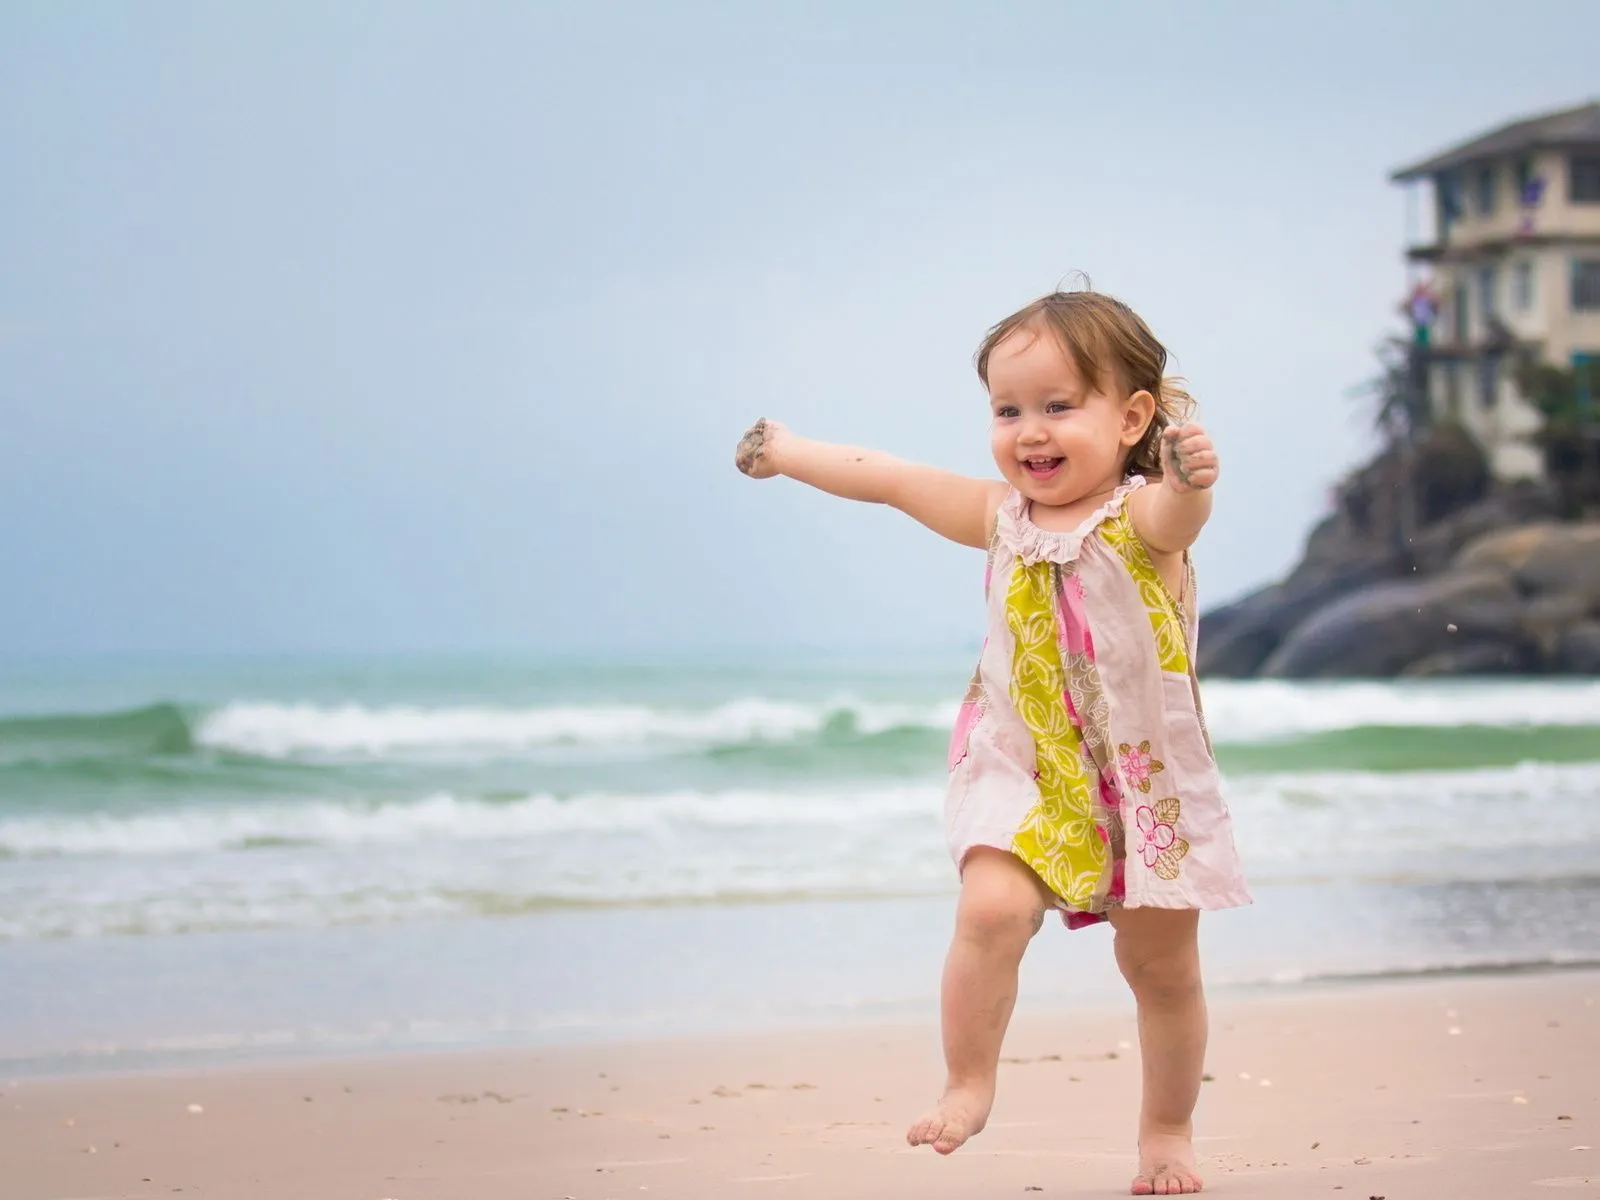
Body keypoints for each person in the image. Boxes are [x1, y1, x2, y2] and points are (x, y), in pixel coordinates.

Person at [733, 287, 1251, 1196]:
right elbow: (888, 479)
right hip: (1025, 768)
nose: (1029, 432)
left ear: (1132, 418)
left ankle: (1167, 1131)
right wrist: (787, 451)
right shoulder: (998, 518)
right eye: (1008, 410)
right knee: (988, 912)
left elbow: (1179, 520)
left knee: (1160, 969)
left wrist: (1189, 481)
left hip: (1143, 786)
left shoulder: (1139, 521)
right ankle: (968, 1082)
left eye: (1058, 406)